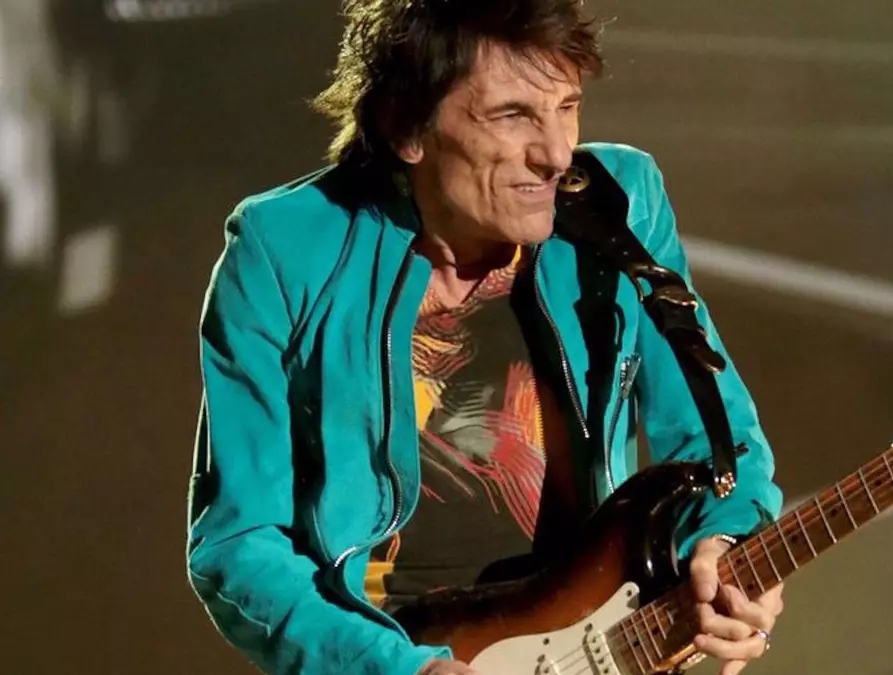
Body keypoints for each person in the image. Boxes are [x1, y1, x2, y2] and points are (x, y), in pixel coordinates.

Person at [187, 1, 785, 674]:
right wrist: (399, 669)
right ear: (406, 125)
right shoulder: (282, 248)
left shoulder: (620, 204)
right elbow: (238, 544)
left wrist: (725, 545)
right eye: (512, 115)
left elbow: (718, 443)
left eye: (567, 106)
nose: (555, 154)